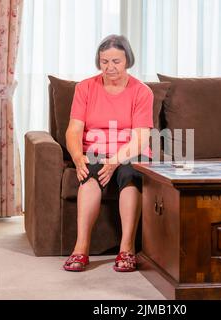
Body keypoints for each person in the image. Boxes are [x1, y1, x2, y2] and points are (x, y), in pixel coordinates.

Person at [63, 34, 153, 272]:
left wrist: (115, 161)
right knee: (89, 174)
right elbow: (74, 130)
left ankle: (127, 249)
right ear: (98, 62)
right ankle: (81, 249)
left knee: (130, 175)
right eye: (104, 61)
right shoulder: (85, 88)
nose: (110, 67)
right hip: (97, 149)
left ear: (127, 61)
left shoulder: (142, 91)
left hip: (132, 151)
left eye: (116, 61)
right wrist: (77, 156)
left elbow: (141, 137)